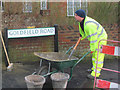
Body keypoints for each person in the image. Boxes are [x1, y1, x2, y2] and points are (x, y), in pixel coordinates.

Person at [74, 9, 107, 79]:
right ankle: (93, 69)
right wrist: (81, 36)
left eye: (76, 15)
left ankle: (95, 74)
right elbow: (83, 31)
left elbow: (93, 38)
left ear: (81, 17)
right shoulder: (81, 22)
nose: (75, 16)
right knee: (94, 57)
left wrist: (92, 49)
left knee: (98, 56)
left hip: (100, 39)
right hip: (95, 38)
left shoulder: (89, 25)